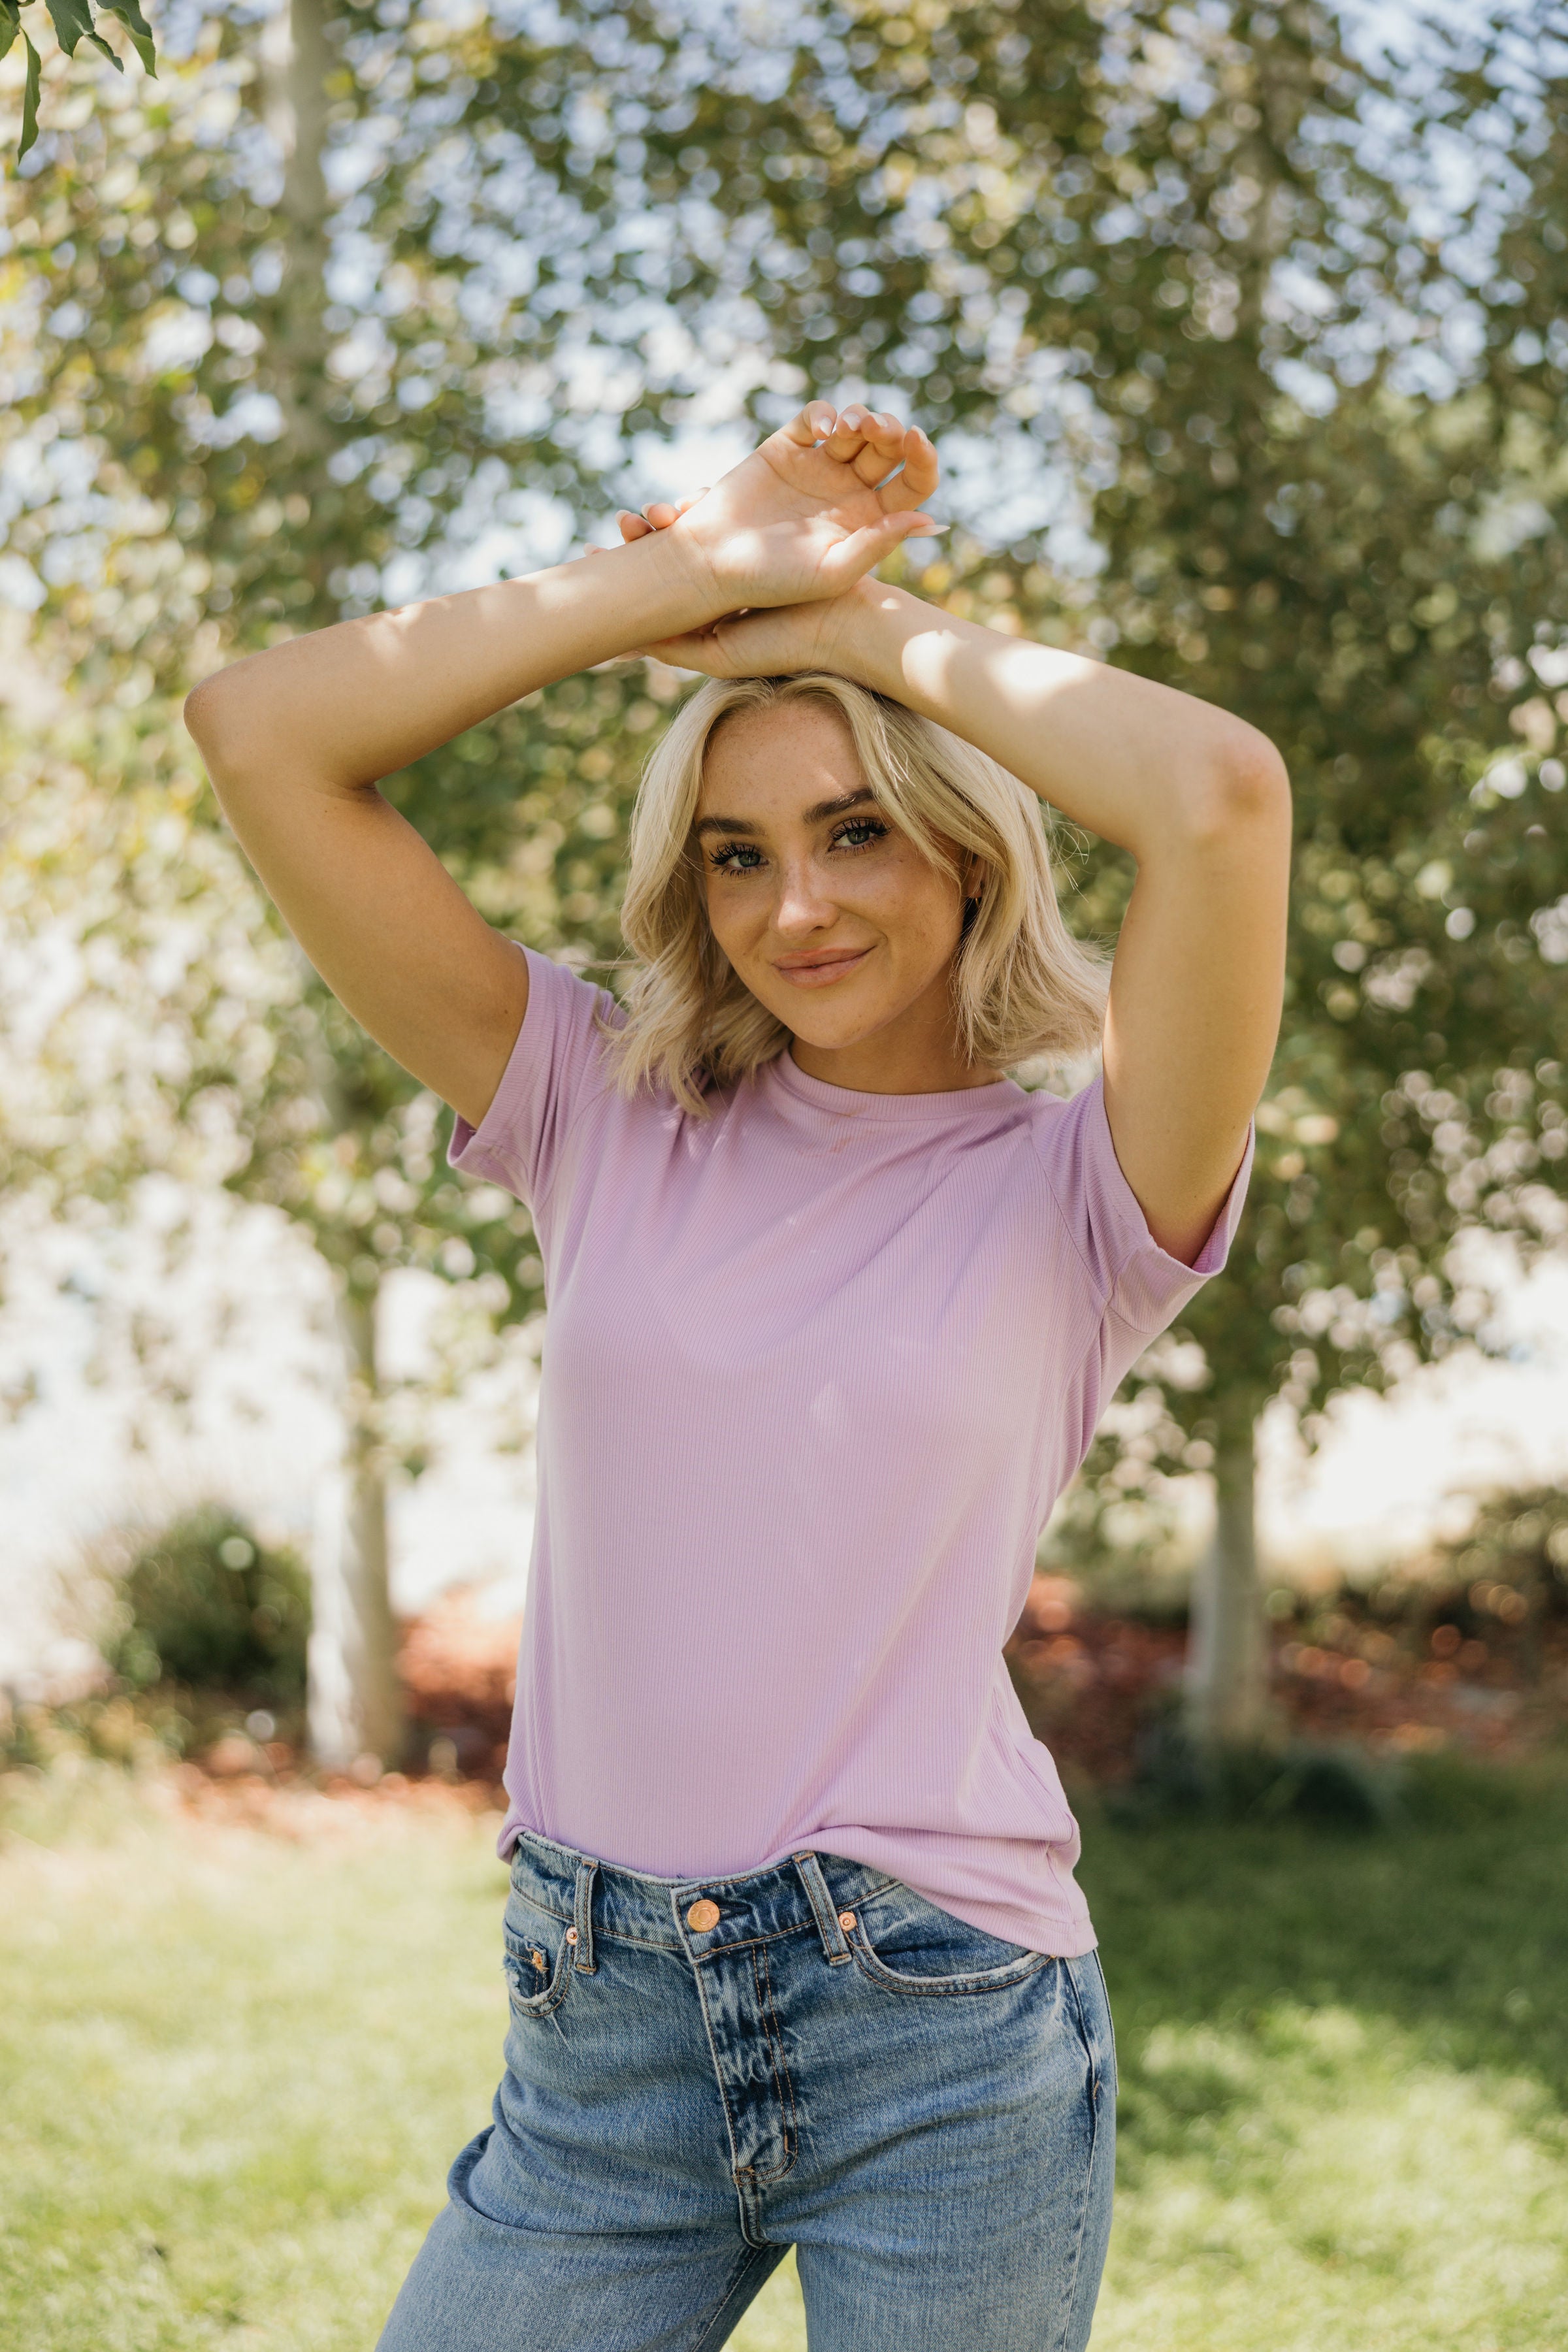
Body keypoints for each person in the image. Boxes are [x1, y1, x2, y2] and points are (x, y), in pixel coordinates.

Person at [184, 401, 1290, 2352]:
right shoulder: (598, 1111)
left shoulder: (1088, 1188)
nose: (800, 908)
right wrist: (692, 580)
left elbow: (1217, 796)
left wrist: (853, 630)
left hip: (935, 2029)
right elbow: (262, 728)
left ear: (965, 848)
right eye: (738, 854)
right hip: (600, 2045)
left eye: (859, 828)